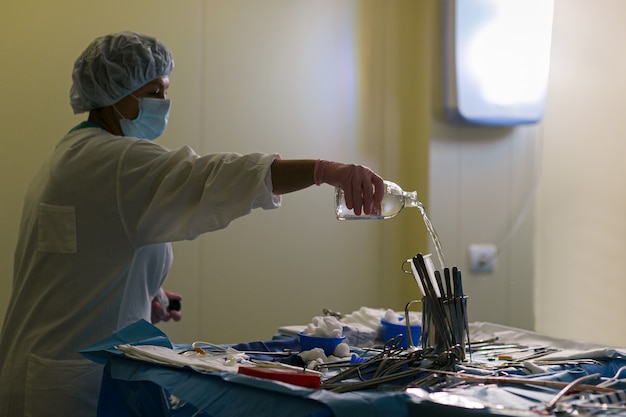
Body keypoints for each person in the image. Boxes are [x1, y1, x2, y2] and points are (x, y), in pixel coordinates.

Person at [0, 31, 384, 416]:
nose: (164, 104)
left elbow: (75, 256)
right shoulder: (114, 162)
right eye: (154, 92)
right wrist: (322, 170)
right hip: (70, 386)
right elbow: (208, 176)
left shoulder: (70, 158)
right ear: (115, 94)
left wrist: (146, 293)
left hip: (39, 369)